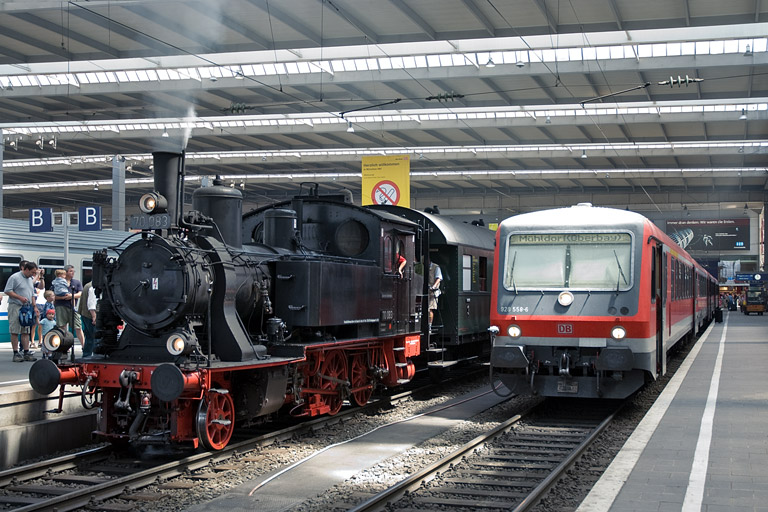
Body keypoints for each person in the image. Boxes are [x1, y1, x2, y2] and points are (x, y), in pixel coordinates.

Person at [3, 261, 40, 362]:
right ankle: (16, 353)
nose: (33, 275)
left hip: (26, 307)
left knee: (26, 330)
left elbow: (32, 293)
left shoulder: (30, 279)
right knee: (15, 330)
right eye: (32, 272)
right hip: (15, 306)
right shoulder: (14, 277)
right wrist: (19, 297)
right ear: (26, 269)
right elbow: (7, 290)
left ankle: (26, 352)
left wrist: (34, 306)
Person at [54, 264, 85, 348]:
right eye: (71, 271)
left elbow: (80, 294)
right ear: (65, 272)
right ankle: (63, 346)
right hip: (61, 306)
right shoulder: (58, 282)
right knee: (62, 327)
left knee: (78, 327)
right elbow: (53, 295)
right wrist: (63, 297)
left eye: (73, 271)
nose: (73, 273)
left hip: (73, 307)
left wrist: (71, 296)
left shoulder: (76, 282)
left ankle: (83, 346)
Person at [78, 281, 98, 358]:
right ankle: (94, 356)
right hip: (90, 315)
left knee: (89, 337)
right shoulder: (93, 286)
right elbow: (91, 303)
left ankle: (87, 355)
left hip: (85, 314)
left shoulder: (88, 285)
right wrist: (94, 316)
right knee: (95, 337)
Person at [428, 261, 443, 328]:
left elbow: (439, 278)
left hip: (432, 292)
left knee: (429, 309)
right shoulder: (422, 266)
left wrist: (434, 286)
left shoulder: (436, 267)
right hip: (425, 290)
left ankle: (429, 326)